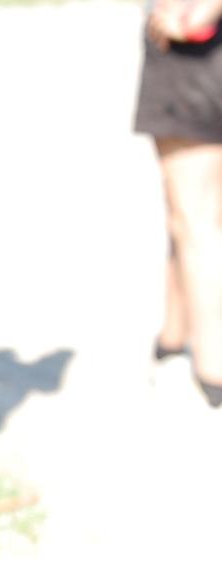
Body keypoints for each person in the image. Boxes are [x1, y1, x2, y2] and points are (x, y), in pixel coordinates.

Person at [136, 0, 222, 409]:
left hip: (194, 56)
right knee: (192, 211)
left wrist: (195, 13)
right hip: (200, 54)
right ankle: (173, 336)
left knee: (195, 219)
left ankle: (211, 365)